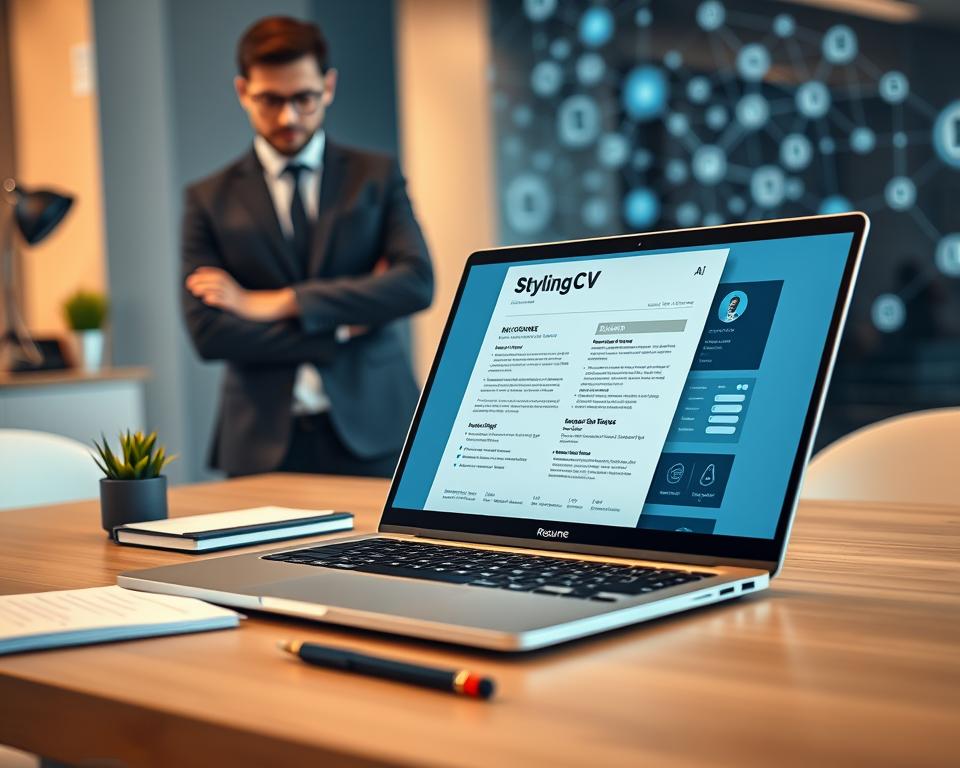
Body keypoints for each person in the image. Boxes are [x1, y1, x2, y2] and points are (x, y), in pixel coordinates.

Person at [181, 16, 433, 478]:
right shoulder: (207, 198)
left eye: (304, 98)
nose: (288, 117)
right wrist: (341, 325)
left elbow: (416, 284)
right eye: (269, 100)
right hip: (259, 441)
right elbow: (210, 333)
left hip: (376, 427)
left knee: (387, 554)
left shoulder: (374, 176)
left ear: (329, 85)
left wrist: (276, 304)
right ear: (242, 91)